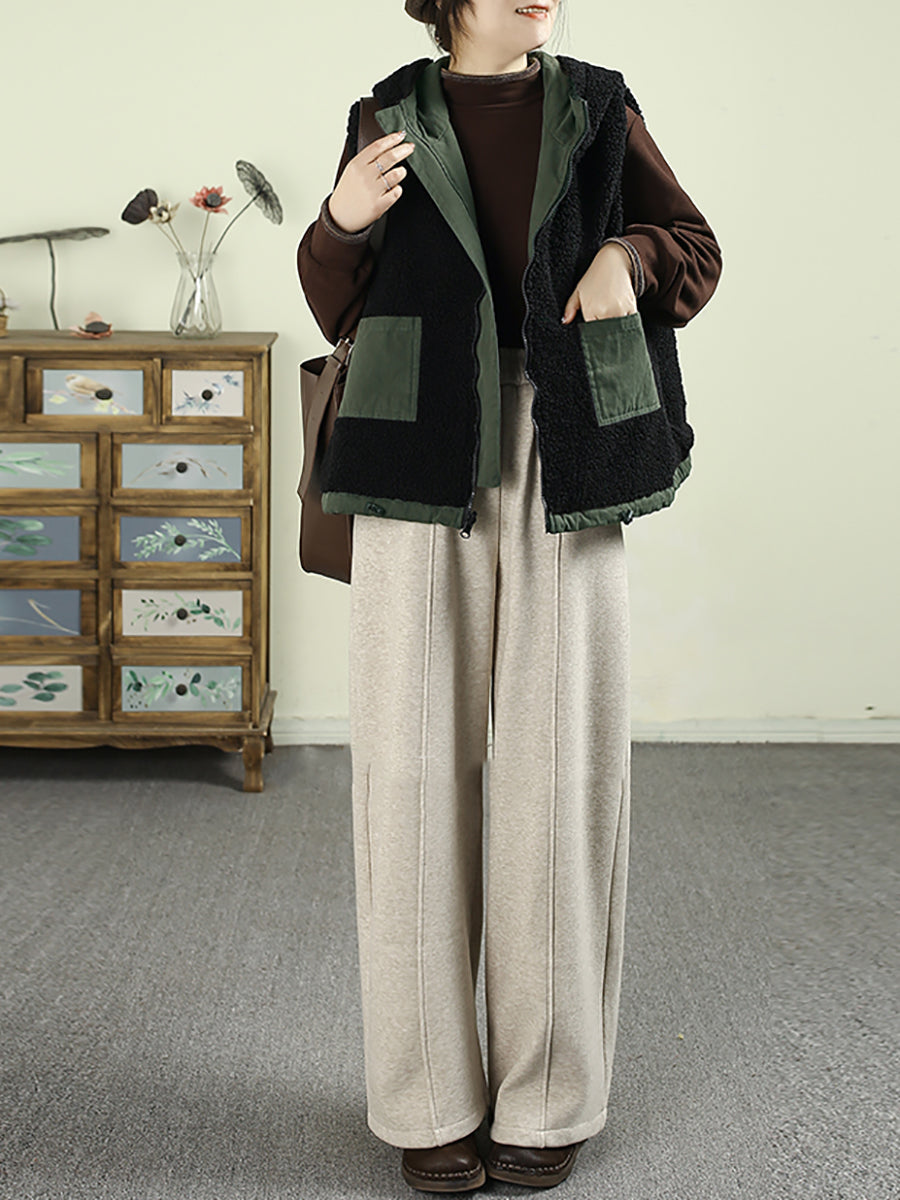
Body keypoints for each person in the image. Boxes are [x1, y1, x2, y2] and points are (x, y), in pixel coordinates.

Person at [297, 0, 722, 1191]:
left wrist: (626, 257)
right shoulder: (386, 113)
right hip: (412, 449)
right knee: (408, 776)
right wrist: (339, 220)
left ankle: (547, 1101)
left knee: (559, 777)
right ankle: (427, 1102)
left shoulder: (598, 104)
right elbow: (334, 302)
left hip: (567, 445)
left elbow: (693, 245)